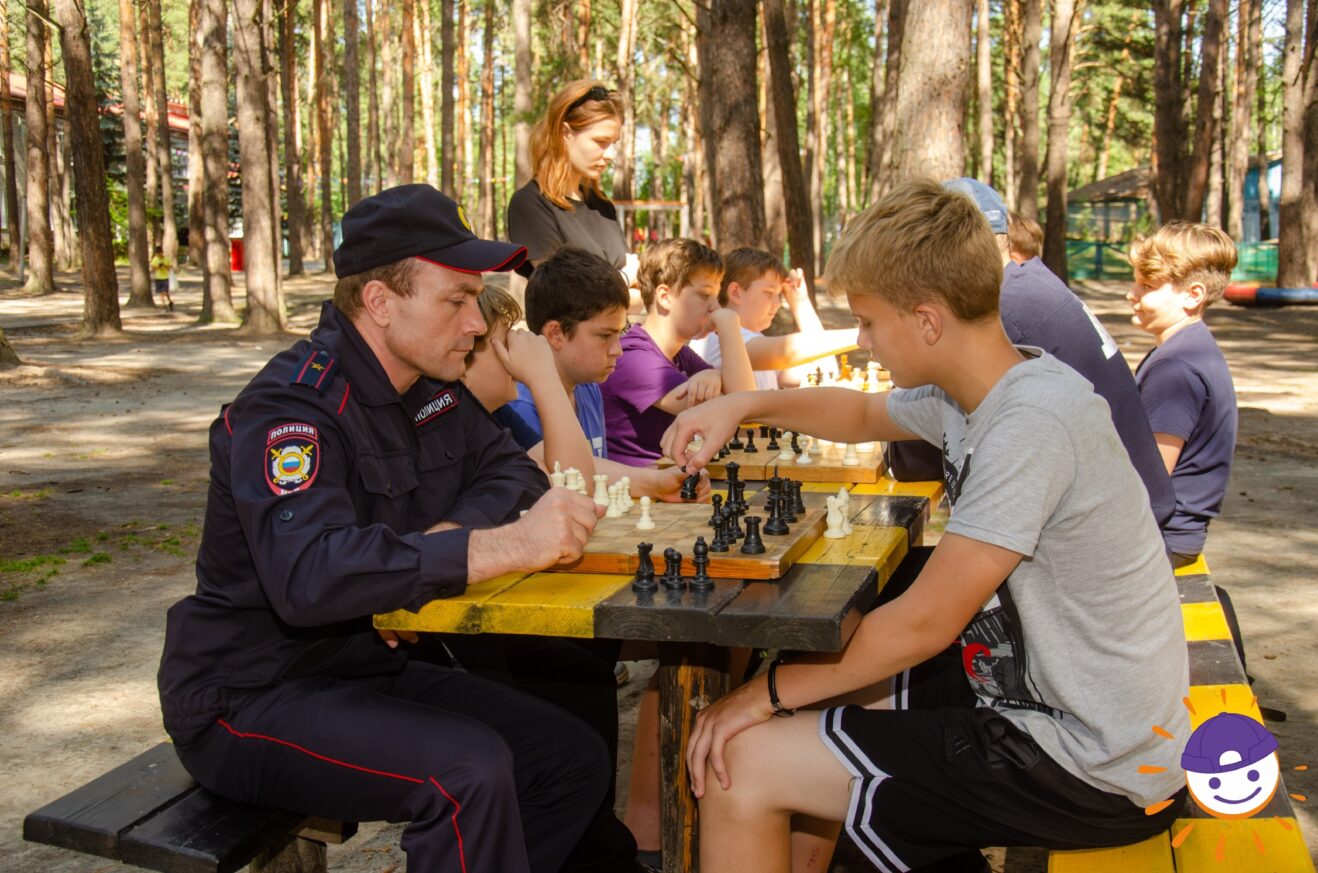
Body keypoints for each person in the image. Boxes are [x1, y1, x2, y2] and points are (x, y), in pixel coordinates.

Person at [661, 179, 1189, 873]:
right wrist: (741, 407)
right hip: (1065, 712)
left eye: (871, 323)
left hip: (1093, 760)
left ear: (928, 320)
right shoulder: (990, 390)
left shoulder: (1029, 424)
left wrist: (750, 697)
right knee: (826, 685)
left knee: (741, 757)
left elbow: (923, 623)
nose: (867, 343)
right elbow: (857, 413)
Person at [156, 183, 622, 873]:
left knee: (568, 756)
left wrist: (439, 542)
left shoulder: (432, 388)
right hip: (250, 695)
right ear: (379, 301)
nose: (476, 323)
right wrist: (499, 545)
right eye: (457, 299)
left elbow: (512, 475)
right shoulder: (291, 409)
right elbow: (309, 576)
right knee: (470, 771)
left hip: (365, 669)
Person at [888, 178, 1177, 537]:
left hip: (1109, 532)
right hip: (1120, 512)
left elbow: (917, 461)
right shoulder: (1027, 287)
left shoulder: (1002, 315)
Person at [501, 246, 707, 500]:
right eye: (604, 336)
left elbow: (594, 474)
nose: (617, 351)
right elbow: (567, 476)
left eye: (619, 334)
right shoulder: (519, 406)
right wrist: (652, 482)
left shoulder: (589, 388)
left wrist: (655, 481)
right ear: (555, 334)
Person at [1127, 222, 1239, 566]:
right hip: (1170, 535)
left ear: (1193, 295)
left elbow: (1150, 477)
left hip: (1161, 541)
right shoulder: (1188, 346)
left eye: (1147, 286)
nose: (1132, 294)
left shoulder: (1175, 367)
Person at [600, 238, 755, 466]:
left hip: (665, 483)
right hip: (633, 492)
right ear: (665, 297)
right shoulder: (633, 358)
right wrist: (729, 324)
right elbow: (742, 405)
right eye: (704, 295)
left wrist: (714, 375)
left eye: (716, 296)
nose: (715, 307)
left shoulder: (680, 354)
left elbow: (742, 401)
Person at [507, 80, 638, 292]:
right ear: (565, 133)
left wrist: (614, 289)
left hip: (624, 326)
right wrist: (625, 278)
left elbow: (641, 294)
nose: (611, 155)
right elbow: (567, 296)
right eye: (600, 141)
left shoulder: (602, 205)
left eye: (614, 143)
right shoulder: (531, 205)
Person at [689, 247, 858, 389]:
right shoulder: (717, 338)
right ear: (736, 292)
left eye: (779, 294)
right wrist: (861, 334)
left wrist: (801, 304)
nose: (778, 303)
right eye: (769, 293)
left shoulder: (756, 340)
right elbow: (784, 353)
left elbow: (823, 372)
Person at [151, 244, 174, 311]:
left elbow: (170, 268)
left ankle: (169, 302)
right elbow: (153, 269)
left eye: (160, 253)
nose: (159, 255)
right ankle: (165, 305)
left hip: (165, 277)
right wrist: (158, 267)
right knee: (161, 293)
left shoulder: (166, 259)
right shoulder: (155, 259)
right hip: (158, 278)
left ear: (162, 252)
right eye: (157, 253)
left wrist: (164, 265)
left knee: (165, 292)